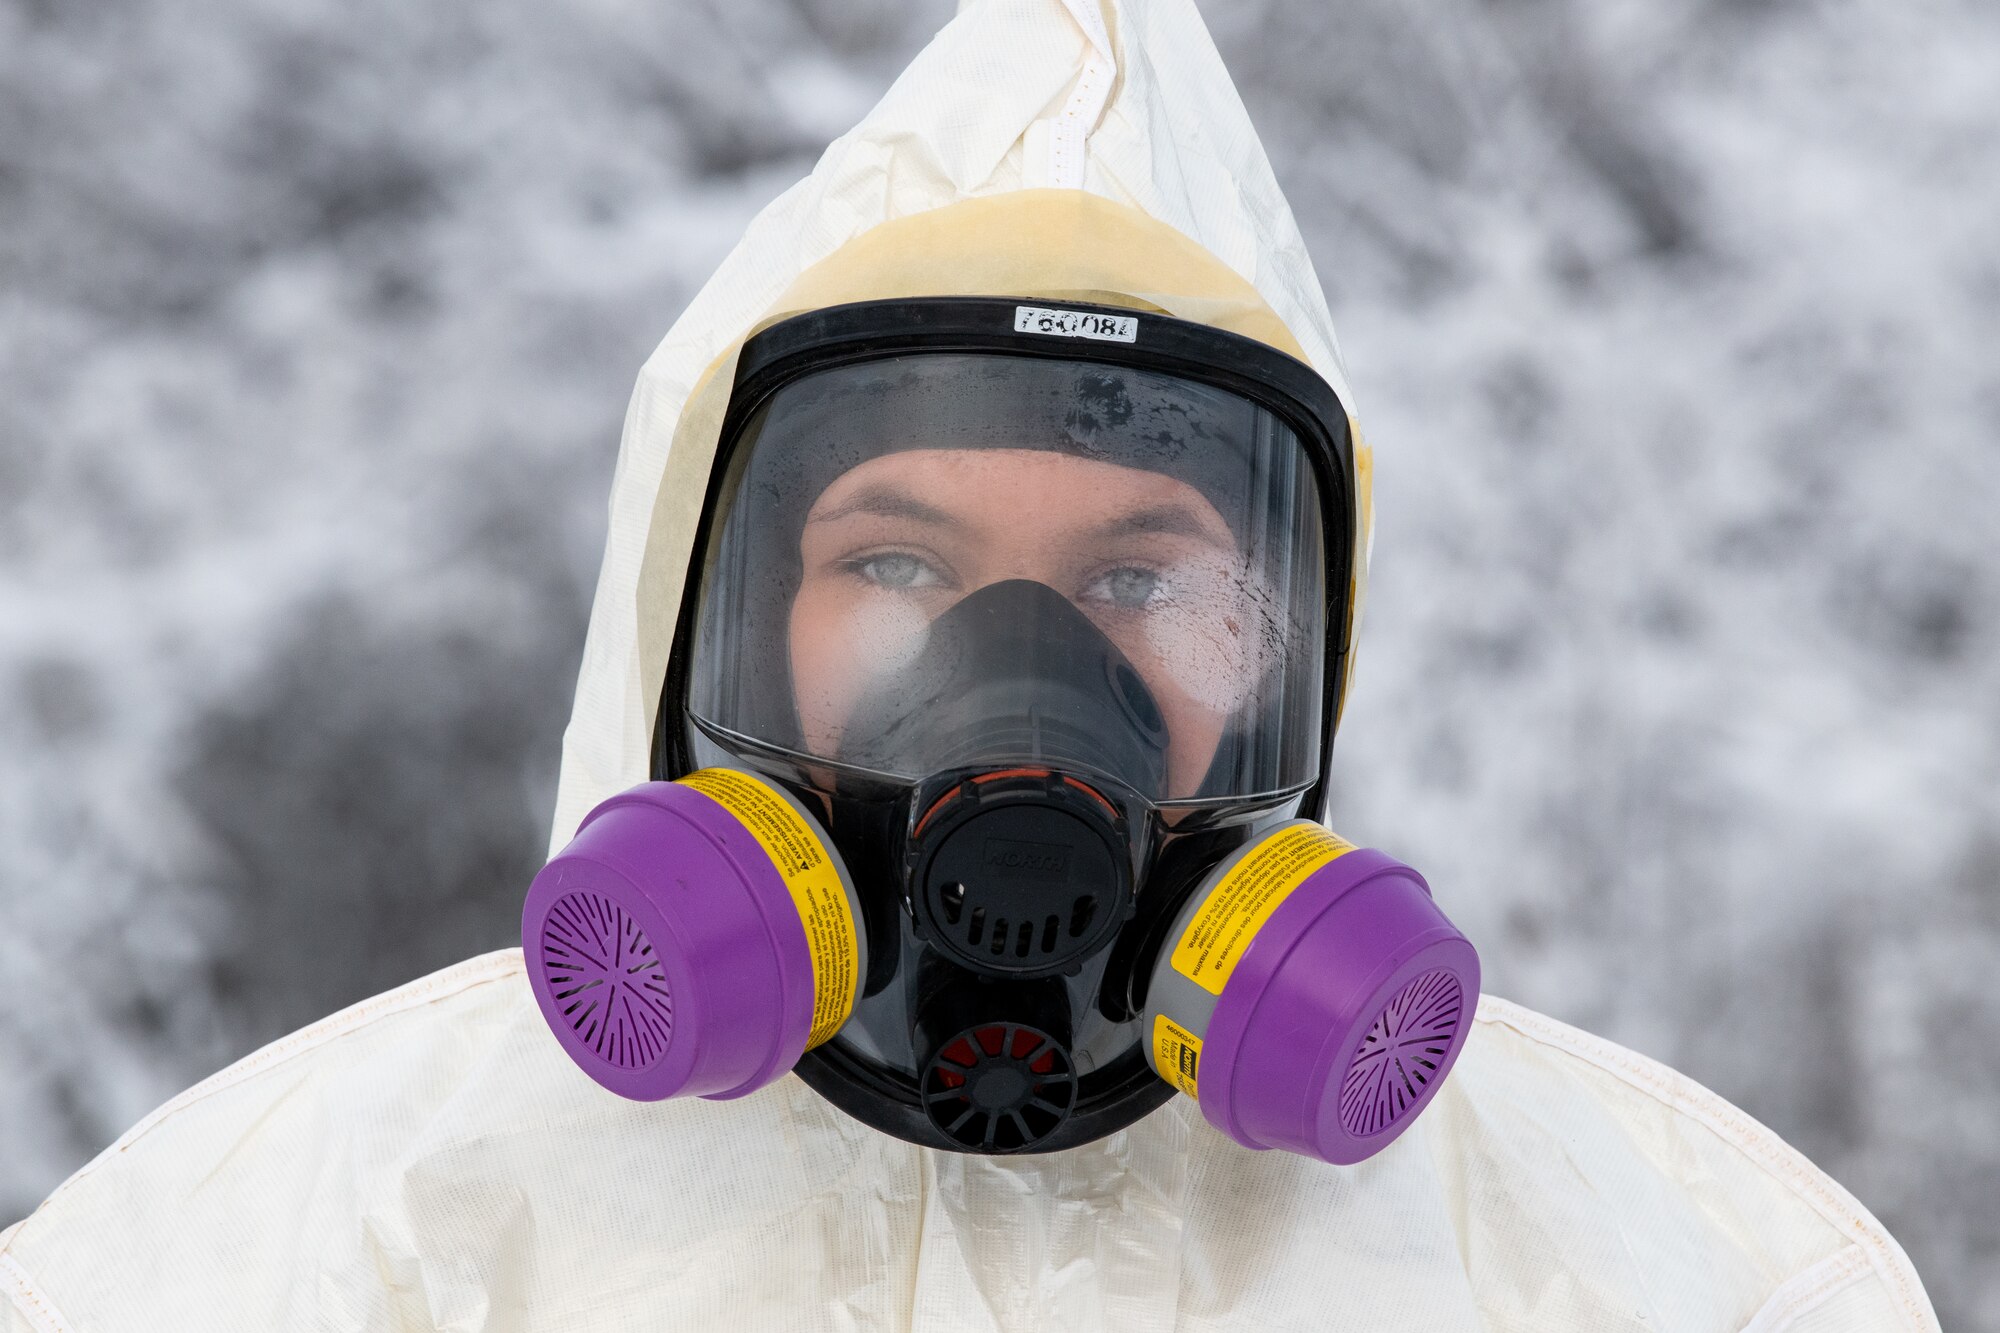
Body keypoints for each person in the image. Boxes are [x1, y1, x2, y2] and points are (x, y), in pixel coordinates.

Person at [2, 1, 1939, 1329]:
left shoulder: (1660, 1263)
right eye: (901, 558)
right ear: (709, 611)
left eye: (1141, 572)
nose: (1020, 666)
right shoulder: (288, 1236)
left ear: (1303, 653)